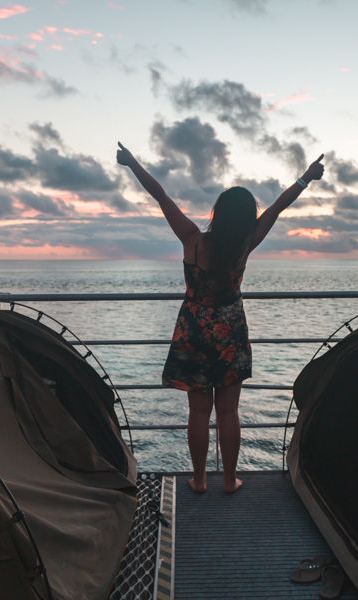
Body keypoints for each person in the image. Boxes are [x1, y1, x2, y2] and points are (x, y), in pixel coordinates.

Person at [117, 141, 324, 493]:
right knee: (228, 412)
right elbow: (277, 208)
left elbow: (161, 196)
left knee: (198, 413)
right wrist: (307, 177)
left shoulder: (192, 239)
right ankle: (229, 480)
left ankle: (198, 480)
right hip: (230, 330)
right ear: (245, 219)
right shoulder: (245, 243)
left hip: (193, 330)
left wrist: (131, 162)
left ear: (217, 212)